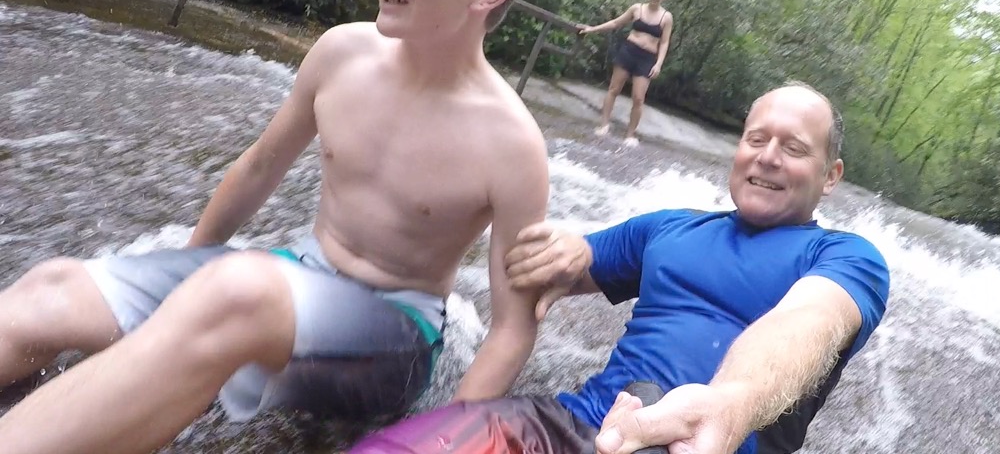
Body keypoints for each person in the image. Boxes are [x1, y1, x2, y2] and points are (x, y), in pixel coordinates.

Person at [0, 0, 551, 454]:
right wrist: (181, 280)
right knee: (52, 289)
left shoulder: (511, 144)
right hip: (288, 278)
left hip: (394, 333)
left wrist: (445, 440)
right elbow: (260, 166)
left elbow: (512, 328)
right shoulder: (342, 53)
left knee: (238, 291)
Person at [347, 82, 891, 454]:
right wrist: (562, 251)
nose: (768, 156)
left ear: (830, 175)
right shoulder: (667, 229)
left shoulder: (848, 258)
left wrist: (730, 403)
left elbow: (808, 321)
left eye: (793, 148)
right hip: (574, 424)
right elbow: (557, 261)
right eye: (756, 139)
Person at [578, 0, 674, 146]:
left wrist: (658, 64)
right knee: (614, 89)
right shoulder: (637, 8)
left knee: (638, 98)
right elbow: (616, 23)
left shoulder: (666, 18)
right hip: (629, 51)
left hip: (647, 58)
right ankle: (604, 125)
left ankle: (630, 135)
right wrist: (592, 29)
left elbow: (665, 42)